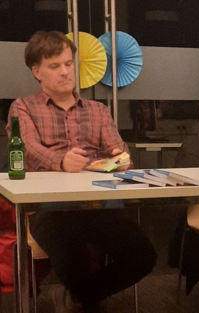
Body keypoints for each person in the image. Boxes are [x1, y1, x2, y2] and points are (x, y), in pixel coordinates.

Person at [6, 31, 157, 313]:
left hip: (99, 203)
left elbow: (119, 151)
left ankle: (80, 297)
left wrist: (120, 158)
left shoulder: (98, 110)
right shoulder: (23, 107)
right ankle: (85, 298)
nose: (65, 72)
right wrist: (61, 161)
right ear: (36, 72)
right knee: (70, 247)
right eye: (54, 66)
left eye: (68, 63)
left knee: (143, 256)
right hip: (50, 207)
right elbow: (27, 148)